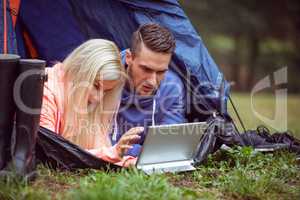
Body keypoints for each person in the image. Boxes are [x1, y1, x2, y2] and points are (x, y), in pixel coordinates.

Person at [39, 39, 143, 167]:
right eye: (96, 86)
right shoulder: (45, 92)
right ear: (80, 71)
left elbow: (94, 156)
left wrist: (132, 162)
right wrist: (113, 153)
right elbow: (49, 152)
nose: (98, 98)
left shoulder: (86, 99)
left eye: (106, 91)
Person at [113, 23, 186, 156]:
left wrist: (129, 151)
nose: (152, 81)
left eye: (161, 72)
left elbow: (169, 143)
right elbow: (92, 141)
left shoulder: (172, 86)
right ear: (129, 58)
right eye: (146, 69)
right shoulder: (106, 78)